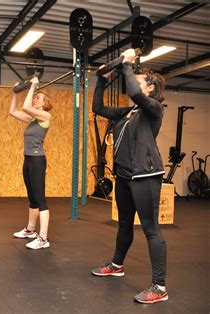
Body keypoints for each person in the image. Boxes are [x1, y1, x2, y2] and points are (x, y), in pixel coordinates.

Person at [91, 48, 168, 304]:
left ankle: (159, 287)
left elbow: (134, 90)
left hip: (145, 176)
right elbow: (98, 107)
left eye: (141, 80)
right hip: (124, 177)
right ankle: (117, 265)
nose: (135, 82)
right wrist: (102, 80)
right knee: (124, 225)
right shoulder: (128, 112)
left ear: (150, 89)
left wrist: (126, 62)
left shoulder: (153, 109)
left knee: (151, 230)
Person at [9, 77, 52, 250]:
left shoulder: (45, 116)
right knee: (32, 197)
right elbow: (12, 111)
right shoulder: (32, 119)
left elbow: (26, 107)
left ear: (44, 103)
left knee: (40, 199)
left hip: (37, 160)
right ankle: (30, 230)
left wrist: (33, 86)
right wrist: (14, 93)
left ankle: (43, 238)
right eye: (35, 97)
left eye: (38, 98)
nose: (35, 99)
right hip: (28, 159)